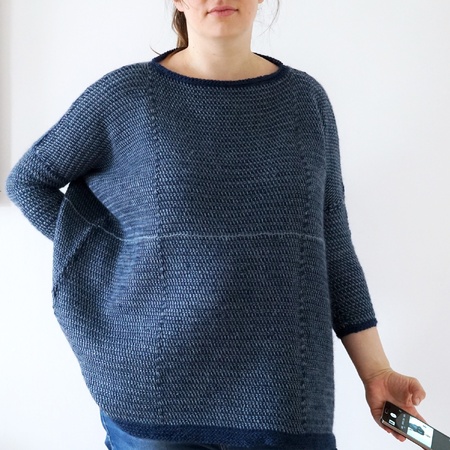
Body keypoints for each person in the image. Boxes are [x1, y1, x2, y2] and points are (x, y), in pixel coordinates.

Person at [6, 1, 426, 449]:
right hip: (155, 392)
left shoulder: (305, 101)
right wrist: (113, 257)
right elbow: (29, 182)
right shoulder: (126, 96)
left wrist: (377, 372)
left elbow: (332, 244)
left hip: (283, 394)